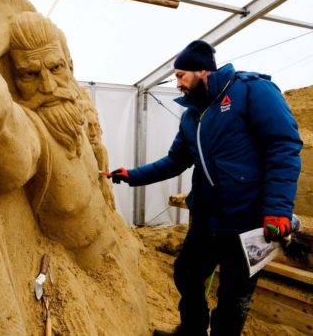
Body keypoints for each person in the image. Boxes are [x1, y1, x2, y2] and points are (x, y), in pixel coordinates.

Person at [108, 40, 302, 336]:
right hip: (207, 219)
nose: (177, 84)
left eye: (180, 75)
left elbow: (283, 145)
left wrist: (277, 209)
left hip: (247, 221)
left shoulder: (251, 91)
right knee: (187, 274)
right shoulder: (191, 116)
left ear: (203, 71)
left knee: (233, 295)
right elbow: (175, 161)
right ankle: (192, 331)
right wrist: (132, 175)